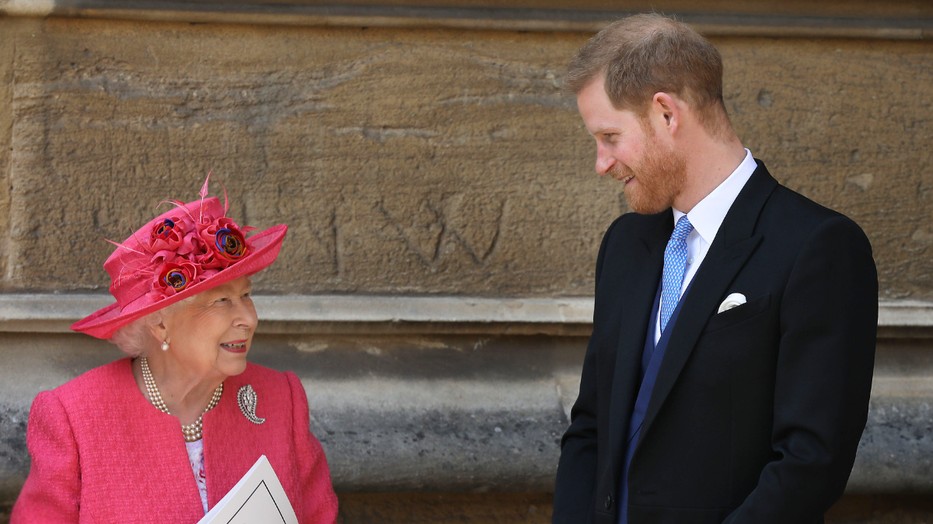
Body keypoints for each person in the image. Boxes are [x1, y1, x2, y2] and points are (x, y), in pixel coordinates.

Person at [553, 13, 877, 524]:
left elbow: (811, 461)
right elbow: (591, 426)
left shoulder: (818, 247)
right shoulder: (625, 244)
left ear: (666, 113)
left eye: (610, 136)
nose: (601, 163)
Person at [12, 176, 339, 522]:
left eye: (246, 295)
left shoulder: (281, 399)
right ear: (160, 324)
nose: (248, 318)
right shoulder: (73, 417)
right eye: (222, 301)